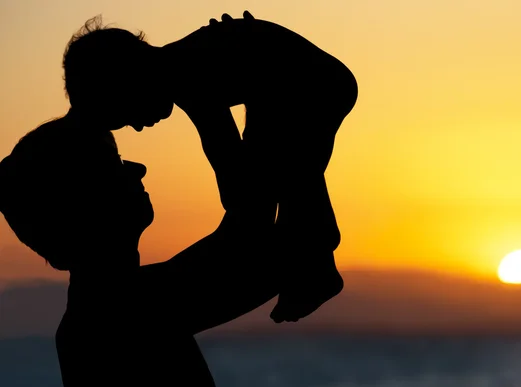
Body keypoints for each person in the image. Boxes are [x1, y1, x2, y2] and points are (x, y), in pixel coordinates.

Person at [0, 14, 286, 387]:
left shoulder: (95, 319)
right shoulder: (130, 314)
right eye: (113, 166)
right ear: (88, 207)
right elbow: (256, 232)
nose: (138, 167)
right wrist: (223, 98)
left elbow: (247, 228)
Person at [63, 10, 359, 323]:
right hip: (304, 89)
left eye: (125, 114)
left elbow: (225, 157)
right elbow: (228, 158)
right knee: (284, 181)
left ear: (128, 79)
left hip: (309, 91)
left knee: (280, 178)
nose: (137, 126)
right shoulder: (187, 65)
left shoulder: (190, 74)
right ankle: (316, 261)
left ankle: (318, 262)